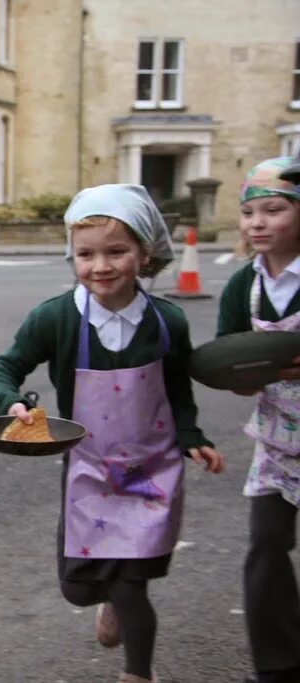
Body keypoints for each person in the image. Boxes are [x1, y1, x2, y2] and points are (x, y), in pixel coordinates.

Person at [0, 184, 225, 683]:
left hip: (151, 469)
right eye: (85, 254)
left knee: (132, 584)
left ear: (144, 253)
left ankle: (139, 674)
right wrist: (10, 402)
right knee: (79, 588)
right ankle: (107, 598)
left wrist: (192, 434)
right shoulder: (56, 318)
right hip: (88, 468)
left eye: (116, 251)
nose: (100, 266)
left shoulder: (167, 322)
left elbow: (177, 388)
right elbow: (5, 367)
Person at [216, 157, 300, 683]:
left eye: (273, 209)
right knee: (266, 546)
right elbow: (229, 364)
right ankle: (278, 666)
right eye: (249, 213)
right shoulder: (241, 286)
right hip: (278, 440)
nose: (258, 223)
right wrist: (242, 379)